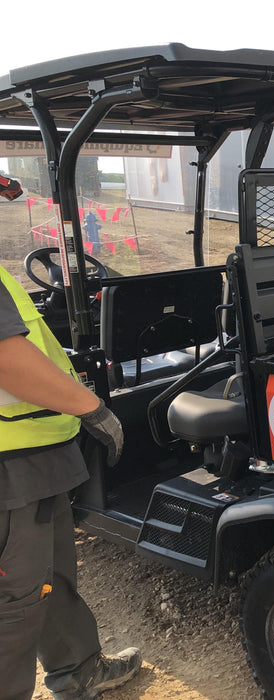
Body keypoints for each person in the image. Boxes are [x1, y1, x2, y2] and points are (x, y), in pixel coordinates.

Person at [0, 177, 141, 700]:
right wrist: (91, 406)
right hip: (9, 466)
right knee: (14, 607)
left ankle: (77, 669)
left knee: (50, 577)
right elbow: (7, 360)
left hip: (32, 456)